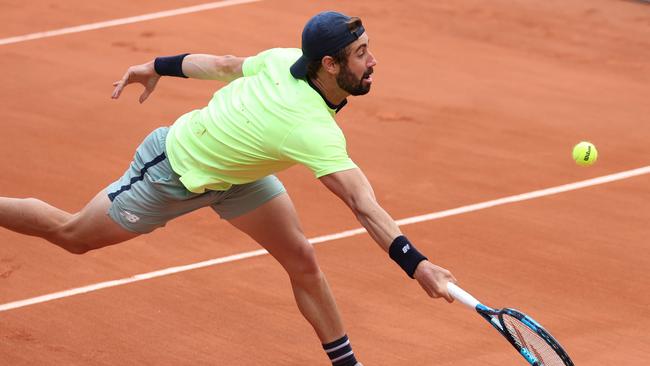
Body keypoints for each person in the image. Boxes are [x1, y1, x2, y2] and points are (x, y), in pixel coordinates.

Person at [0, 11, 456, 366]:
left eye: (368, 49)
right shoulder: (312, 129)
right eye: (360, 54)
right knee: (73, 236)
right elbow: (363, 204)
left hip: (240, 177)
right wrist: (418, 266)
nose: (373, 61)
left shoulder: (285, 59)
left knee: (302, 259)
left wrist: (157, 65)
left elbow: (223, 65)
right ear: (330, 64)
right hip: (175, 169)